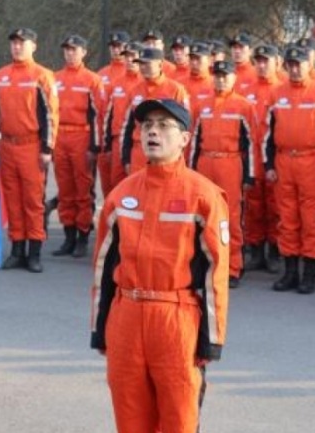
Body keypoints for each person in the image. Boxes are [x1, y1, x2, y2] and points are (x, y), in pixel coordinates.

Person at [90, 98, 229, 433]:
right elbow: (102, 268)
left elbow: (215, 273)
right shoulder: (121, 195)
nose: (153, 131)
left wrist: (211, 339)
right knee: (130, 417)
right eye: (147, 125)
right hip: (127, 315)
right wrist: (100, 327)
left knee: (179, 418)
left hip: (176, 319)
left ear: (184, 138)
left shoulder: (203, 196)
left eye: (164, 125)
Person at [0, 28, 59, 273]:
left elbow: (51, 115)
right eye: (13, 42)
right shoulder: (1, 76)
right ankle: (17, 250)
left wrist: (47, 148)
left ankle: (34, 253)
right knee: (12, 201)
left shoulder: (42, 76)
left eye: (22, 43)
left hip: (31, 147)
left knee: (32, 202)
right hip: (7, 147)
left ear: (34, 46)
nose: (17, 47)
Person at [265, 47, 315, 294]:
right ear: (286, 67)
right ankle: (290, 272)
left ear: (309, 65)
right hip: (284, 161)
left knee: (310, 220)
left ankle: (309, 274)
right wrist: (269, 165)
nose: (295, 69)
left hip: (312, 161)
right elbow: (266, 133)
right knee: (287, 219)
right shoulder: (276, 94)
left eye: (300, 64)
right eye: (291, 65)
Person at [190, 61, 256, 288]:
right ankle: (203, 265)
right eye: (217, 76)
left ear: (234, 78)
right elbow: (194, 142)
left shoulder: (243, 106)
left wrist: (249, 175)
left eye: (225, 76)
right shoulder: (202, 105)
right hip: (205, 162)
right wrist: (189, 171)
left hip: (230, 163)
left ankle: (232, 267)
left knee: (231, 218)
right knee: (202, 216)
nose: (220, 80)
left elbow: (251, 144)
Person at [52, 35, 104, 259]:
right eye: (67, 50)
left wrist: (94, 146)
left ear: (84, 52)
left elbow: (97, 115)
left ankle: (83, 235)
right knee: (65, 190)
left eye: (74, 50)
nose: (70, 53)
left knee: (83, 189)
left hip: (81, 135)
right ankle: (68, 236)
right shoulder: (54, 78)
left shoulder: (92, 80)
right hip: (60, 137)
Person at [242, 45, 282, 273]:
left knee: (276, 205)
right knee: (253, 205)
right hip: (252, 155)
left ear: (276, 62)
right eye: (258, 61)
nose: (262, 65)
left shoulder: (281, 89)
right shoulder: (245, 89)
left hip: (276, 156)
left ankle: (275, 252)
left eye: (266, 60)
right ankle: (256, 250)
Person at [120, 47, 189, 176]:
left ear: (160, 64)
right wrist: (126, 157)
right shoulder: (135, 91)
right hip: (139, 152)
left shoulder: (176, 89)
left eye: (147, 63)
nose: (143, 67)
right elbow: (127, 127)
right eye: (141, 63)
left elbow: (184, 126)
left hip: (166, 151)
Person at [101, 42, 143, 194]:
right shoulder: (116, 84)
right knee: (116, 183)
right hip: (117, 140)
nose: (130, 60)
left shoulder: (144, 84)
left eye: (134, 56)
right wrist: (106, 144)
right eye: (127, 57)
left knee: (138, 184)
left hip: (139, 141)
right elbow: (108, 115)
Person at [181, 42, 214, 115]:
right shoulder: (180, 84)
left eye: (198, 58)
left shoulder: (215, 84)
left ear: (209, 60)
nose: (194, 62)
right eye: (192, 59)